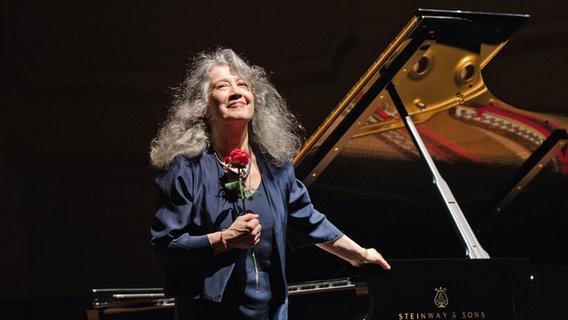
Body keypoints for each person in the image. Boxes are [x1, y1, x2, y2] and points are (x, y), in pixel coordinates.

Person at [149, 47, 390, 320]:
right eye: (222, 86)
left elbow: (310, 221)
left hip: (272, 312)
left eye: (243, 84)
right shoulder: (186, 168)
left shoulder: (276, 165)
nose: (237, 91)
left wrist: (361, 255)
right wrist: (224, 239)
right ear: (204, 108)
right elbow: (166, 247)